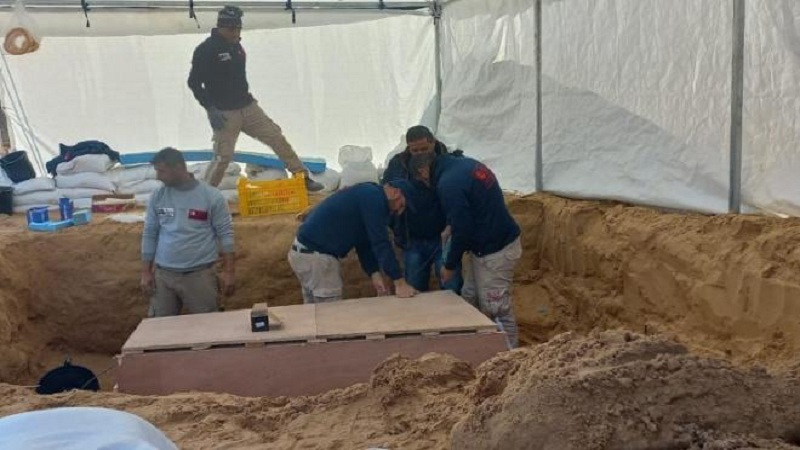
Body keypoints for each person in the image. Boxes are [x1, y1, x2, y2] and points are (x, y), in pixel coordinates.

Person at [187, 5, 323, 192]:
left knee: (276, 137)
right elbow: (194, 82)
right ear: (221, 27)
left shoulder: (236, 46)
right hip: (225, 113)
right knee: (223, 156)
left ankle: (302, 176)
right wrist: (210, 108)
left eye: (238, 29)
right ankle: (204, 194)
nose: (236, 33)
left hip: (248, 106)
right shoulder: (206, 50)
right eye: (232, 29)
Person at [410, 152, 522, 348]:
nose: (427, 186)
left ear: (423, 171)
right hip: (484, 245)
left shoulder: (448, 183)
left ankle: (511, 356)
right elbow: (473, 205)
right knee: (470, 296)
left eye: (422, 181)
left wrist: (449, 265)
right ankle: (476, 349)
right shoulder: (464, 165)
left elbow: (463, 229)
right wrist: (451, 225)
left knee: (495, 307)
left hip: (496, 250)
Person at [141, 147, 235, 317]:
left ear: (178, 168)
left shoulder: (211, 196)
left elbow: (225, 234)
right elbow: (150, 233)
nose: (158, 177)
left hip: (200, 276)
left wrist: (229, 273)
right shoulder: (158, 196)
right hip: (164, 277)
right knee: (160, 328)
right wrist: (146, 272)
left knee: (207, 328)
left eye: (161, 171)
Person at [288, 182, 417, 303]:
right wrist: (399, 282)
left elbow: (363, 240)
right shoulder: (374, 199)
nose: (399, 212)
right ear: (396, 193)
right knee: (329, 314)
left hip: (303, 253)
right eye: (401, 205)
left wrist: (374, 273)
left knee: (313, 314)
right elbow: (381, 242)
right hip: (318, 260)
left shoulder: (368, 193)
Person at [381, 125, 462, 293]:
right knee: (414, 289)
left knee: (451, 287)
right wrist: (396, 226)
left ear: (433, 142)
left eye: (424, 149)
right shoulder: (398, 164)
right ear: (408, 147)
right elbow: (387, 194)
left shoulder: (449, 161)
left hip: (443, 235)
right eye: (415, 150)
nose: (419, 153)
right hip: (413, 238)